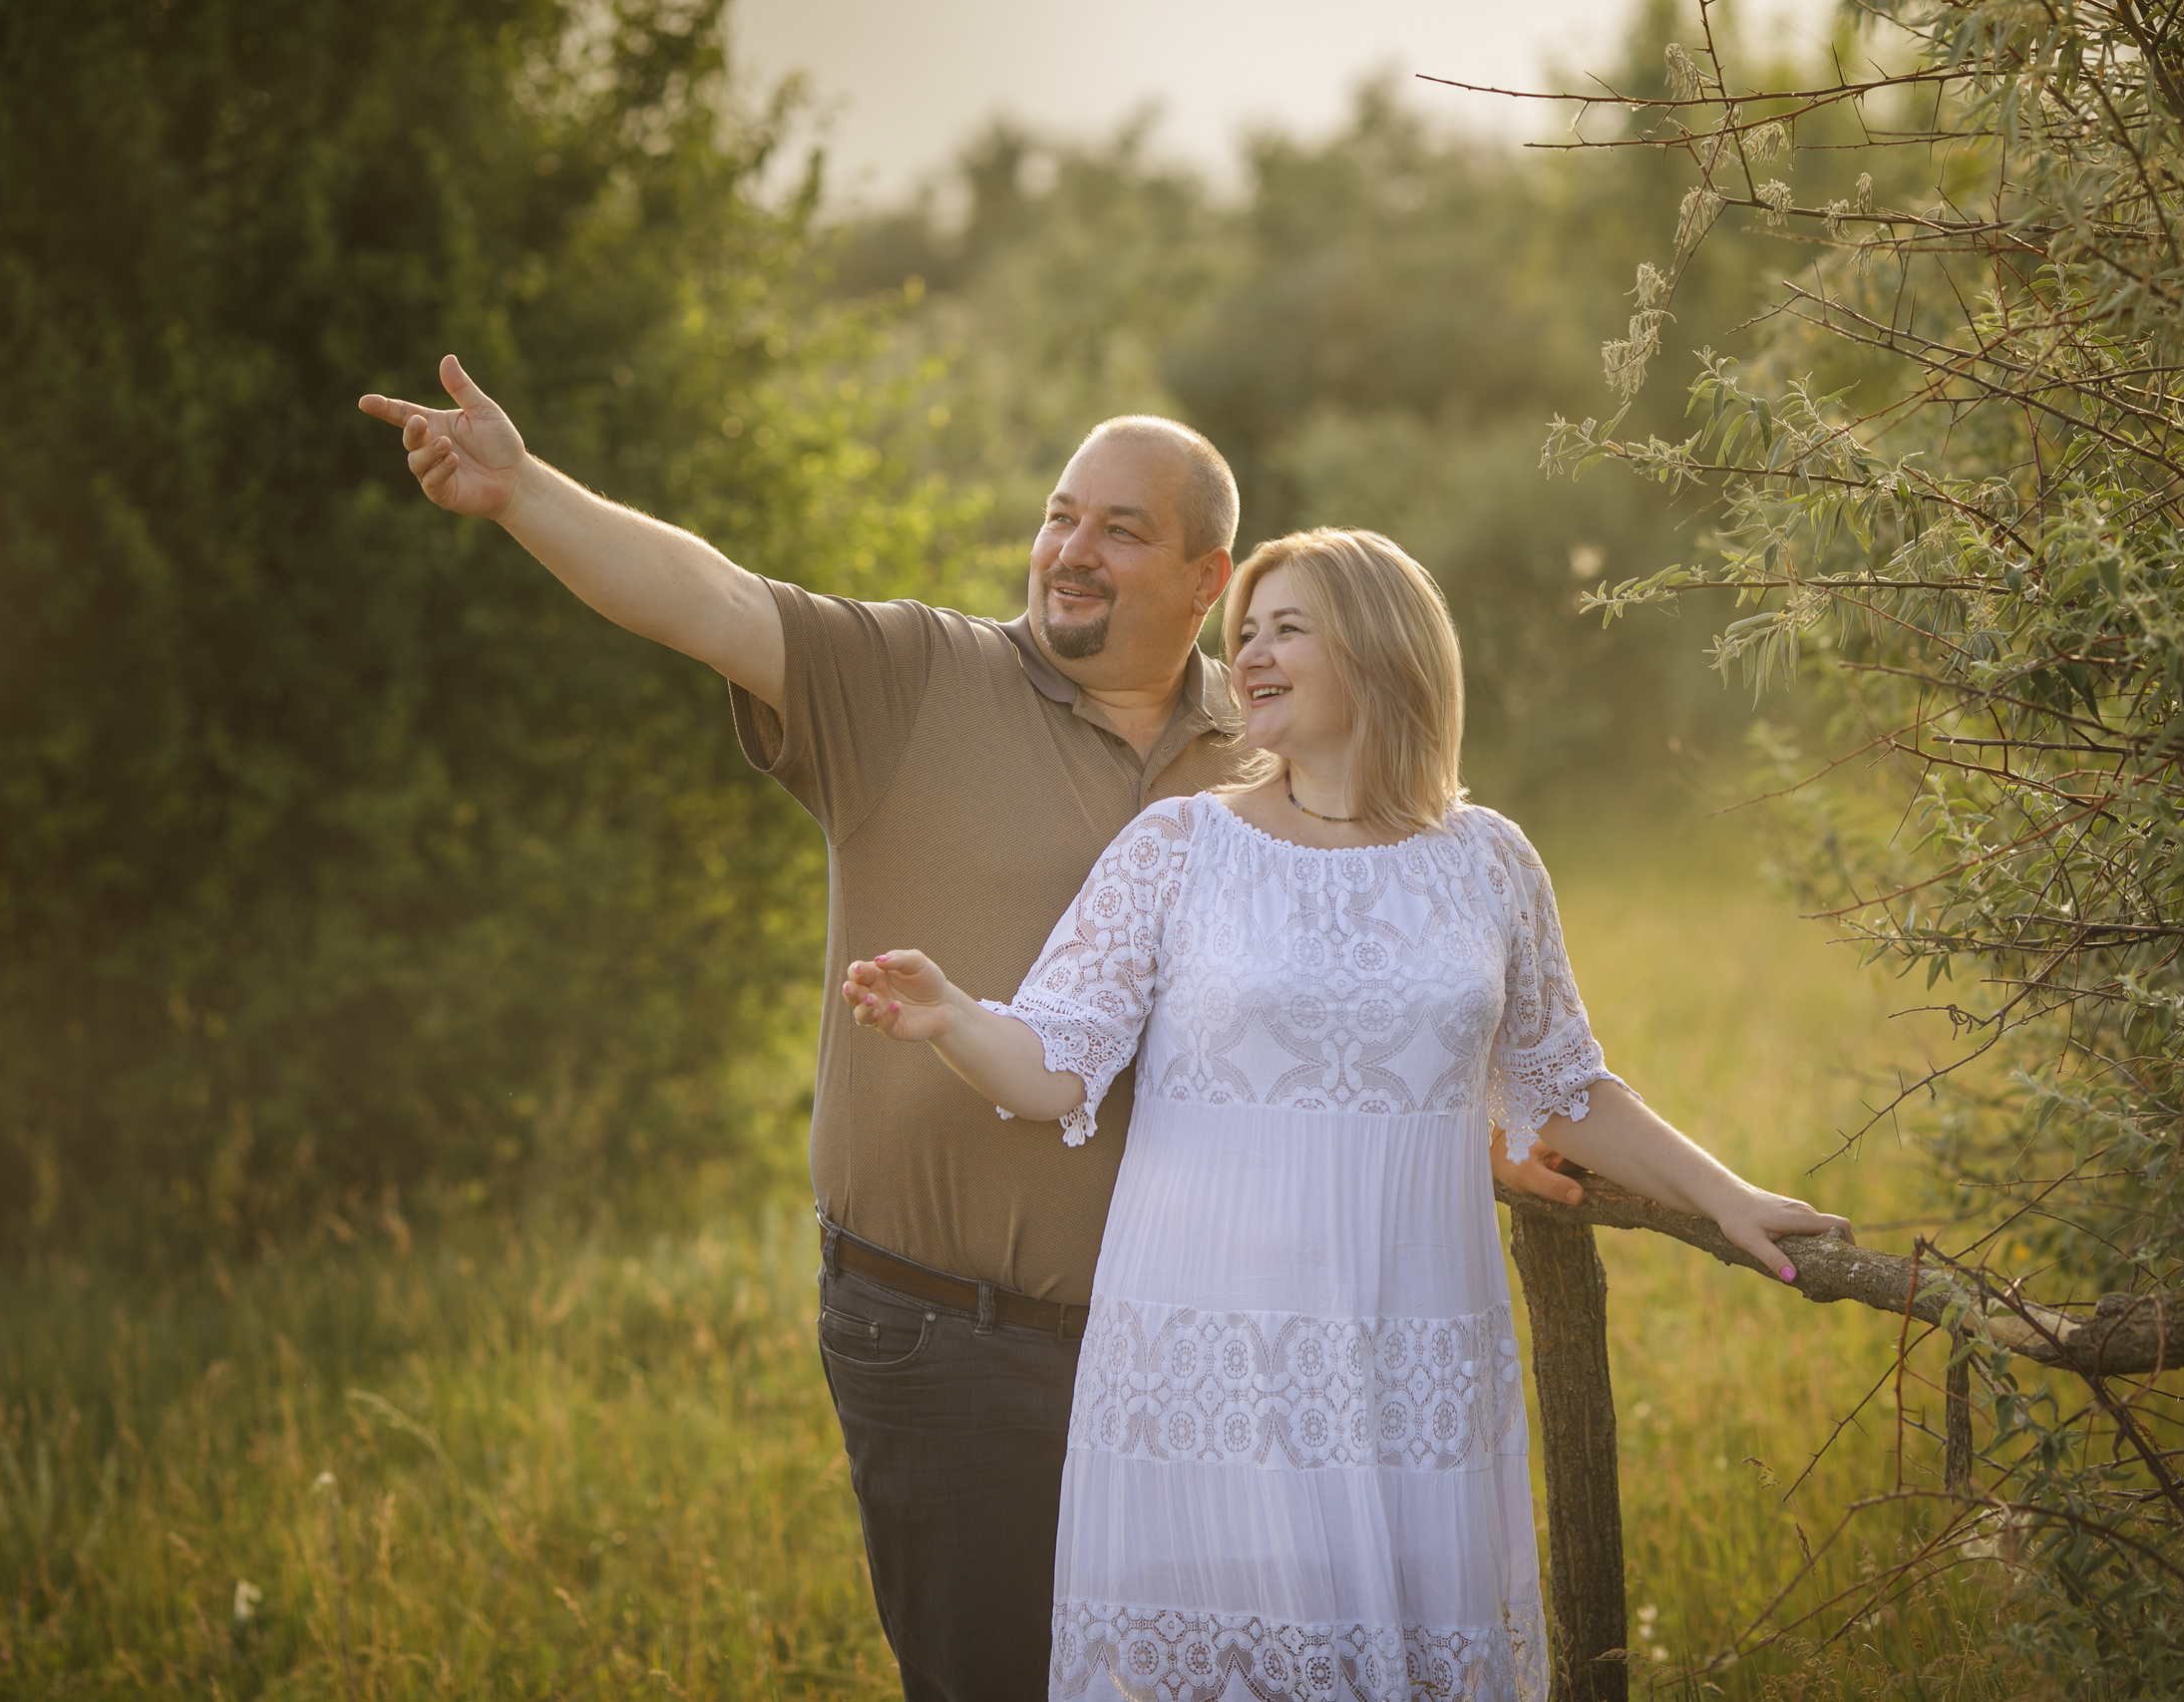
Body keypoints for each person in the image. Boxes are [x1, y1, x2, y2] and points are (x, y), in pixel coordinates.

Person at [360, 360, 1656, 1699]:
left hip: (1210, 1359)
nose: (1070, 550)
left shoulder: (1271, 749)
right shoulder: (914, 675)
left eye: (1118, 527)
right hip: (949, 1335)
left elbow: (1354, 996)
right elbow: (714, 598)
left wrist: (1461, 1129)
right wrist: (523, 493)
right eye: (1058, 514)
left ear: (1208, 578)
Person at [842, 527, 1854, 1701]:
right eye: (1245, 634)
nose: (1251, 656)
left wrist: (1731, 1200)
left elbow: (1563, 1087)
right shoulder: (1177, 848)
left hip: (1409, 1356)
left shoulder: (1489, 862)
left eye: (1287, 629)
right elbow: (1055, 1066)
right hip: (1210, 1364)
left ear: (1378, 648)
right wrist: (953, 1017)